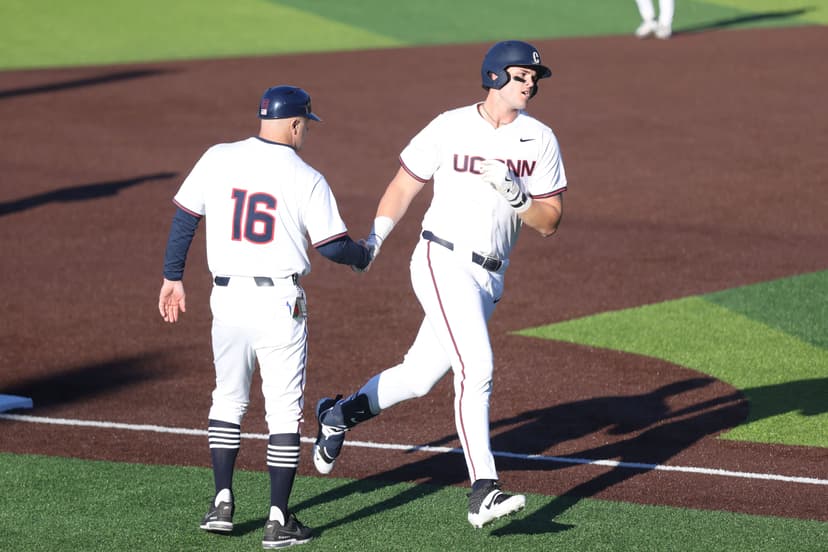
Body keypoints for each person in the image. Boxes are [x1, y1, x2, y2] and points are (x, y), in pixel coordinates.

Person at [311, 40, 567, 528]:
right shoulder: (449, 126)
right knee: (478, 366)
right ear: (494, 77)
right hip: (440, 259)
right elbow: (404, 184)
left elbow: (550, 220)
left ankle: (337, 415)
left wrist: (517, 196)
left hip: (490, 276)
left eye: (535, 77)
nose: (530, 83)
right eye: (521, 75)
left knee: (419, 375)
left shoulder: (541, 139)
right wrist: (375, 242)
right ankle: (483, 490)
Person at [158, 85, 371, 549]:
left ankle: (221, 504)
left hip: (226, 298)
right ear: (295, 124)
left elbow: (184, 216)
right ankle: (277, 519)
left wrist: (173, 277)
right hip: (278, 302)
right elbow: (333, 245)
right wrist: (363, 255)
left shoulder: (217, 156)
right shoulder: (305, 176)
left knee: (228, 399)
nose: (305, 135)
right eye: (305, 126)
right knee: (283, 409)